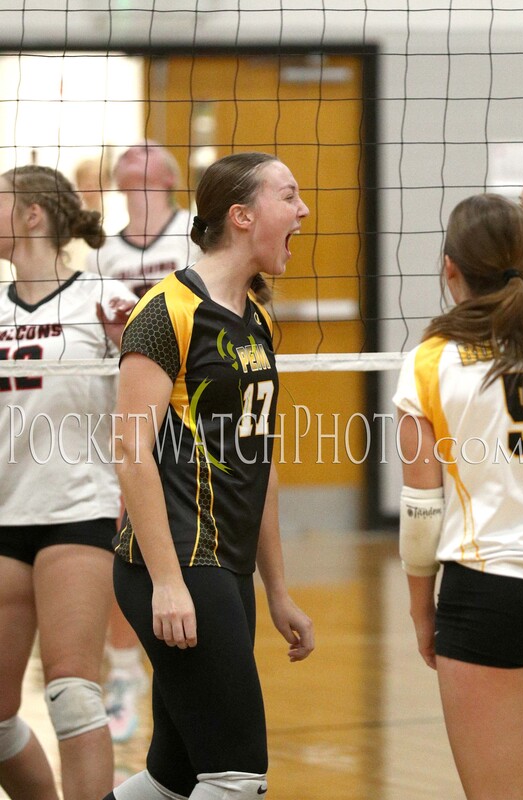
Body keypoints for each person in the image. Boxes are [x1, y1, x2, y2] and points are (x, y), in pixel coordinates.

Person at [101, 151, 315, 800]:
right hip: (174, 562)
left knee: (175, 774)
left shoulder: (256, 319)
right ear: (243, 216)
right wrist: (168, 583)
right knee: (237, 775)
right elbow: (130, 449)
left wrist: (276, 588)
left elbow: (261, 460)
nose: (303, 210)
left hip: (225, 565)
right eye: (289, 196)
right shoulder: (167, 310)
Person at [0, 164, 136, 800]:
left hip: (78, 510)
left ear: (32, 216)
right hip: (5, 513)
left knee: (74, 693)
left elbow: (153, 405)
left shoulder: (104, 301)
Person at [393, 193, 523, 800]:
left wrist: (422, 612)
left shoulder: (431, 362)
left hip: (489, 591)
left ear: (449, 266)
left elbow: (423, 512)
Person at [85, 140, 201, 743]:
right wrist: (114, 332)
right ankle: (124, 669)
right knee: (123, 542)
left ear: (170, 176)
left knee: (187, 548)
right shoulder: (101, 252)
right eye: (132, 151)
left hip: (191, 418)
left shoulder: (192, 234)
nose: (141, 150)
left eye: (153, 150)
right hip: (126, 414)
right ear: (120, 177)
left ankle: (184, 672)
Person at [86, 140, 200, 299]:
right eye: (125, 155)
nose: (132, 154)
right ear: (118, 182)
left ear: (170, 177)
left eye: (146, 151)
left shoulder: (196, 230)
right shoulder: (101, 253)